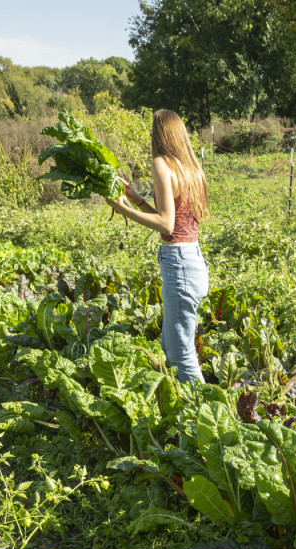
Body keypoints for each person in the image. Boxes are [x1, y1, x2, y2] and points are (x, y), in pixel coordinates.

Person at [105, 109, 211, 384]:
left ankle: (210, 415)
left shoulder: (161, 164)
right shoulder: (192, 168)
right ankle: (182, 417)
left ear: (158, 134)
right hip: (194, 262)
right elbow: (174, 219)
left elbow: (165, 225)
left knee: (180, 356)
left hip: (179, 265)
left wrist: (121, 208)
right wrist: (137, 200)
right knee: (169, 346)